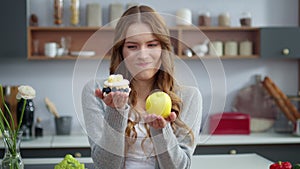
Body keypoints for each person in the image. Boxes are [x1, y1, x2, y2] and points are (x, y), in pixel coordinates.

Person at [82, 5, 202, 169]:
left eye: (152, 45)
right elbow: (106, 166)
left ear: (163, 49)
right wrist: (115, 113)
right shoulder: (97, 92)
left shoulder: (189, 97)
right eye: (132, 46)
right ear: (121, 51)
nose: (143, 55)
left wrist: (161, 131)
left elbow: (180, 167)